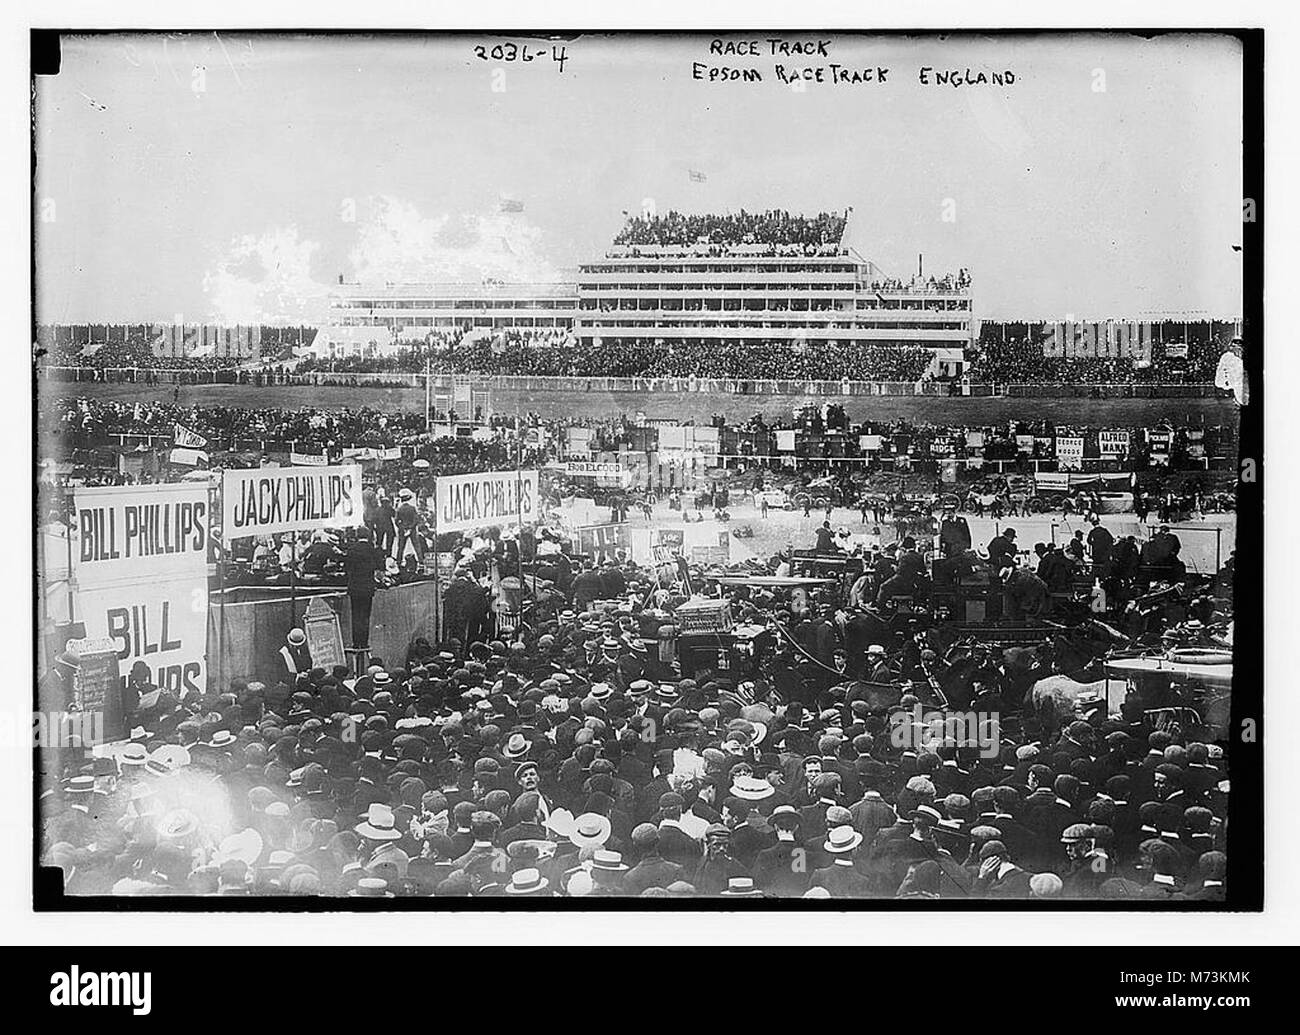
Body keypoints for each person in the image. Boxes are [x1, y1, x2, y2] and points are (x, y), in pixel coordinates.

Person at [344, 529, 385, 650]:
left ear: (357, 536)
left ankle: (356, 642)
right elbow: (379, 569)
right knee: (366, 616)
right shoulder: (373, 550)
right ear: (368, 536)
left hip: (355, 586)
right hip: (367, 587)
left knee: (355, 615)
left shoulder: (351, 549)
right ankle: (364, 642)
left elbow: (347, 568)